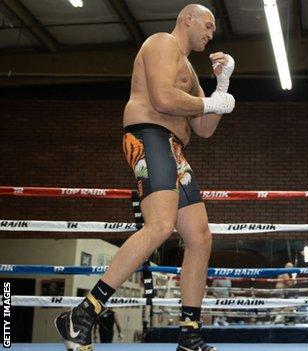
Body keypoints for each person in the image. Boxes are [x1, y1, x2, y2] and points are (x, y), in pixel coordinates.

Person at [55, 4, 235, 351]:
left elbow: (204, 128)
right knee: (160, 225)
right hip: (148, 134)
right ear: (188, 18)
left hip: (174, 149)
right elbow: (163, 100)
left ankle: (189, 334)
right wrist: (212, 104)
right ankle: (81, 315)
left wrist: (222, 87)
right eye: (208, 25)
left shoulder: (190, 72)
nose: (211, 34)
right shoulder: (160, 43)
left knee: (199, 237)